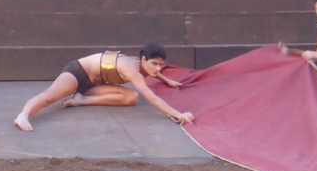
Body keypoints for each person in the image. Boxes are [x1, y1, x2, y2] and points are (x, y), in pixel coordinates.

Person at [14, 43, 194, 131]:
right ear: (144, 60)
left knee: (130, 98)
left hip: (95, 84)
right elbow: (152, 98)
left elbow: (155, 73)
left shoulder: (143, 65)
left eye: (160, 65)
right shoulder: (131, 69)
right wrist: (178, 114)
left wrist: (167, 80)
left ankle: (81, 100)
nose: (157, 69)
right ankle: (24, 115)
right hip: (78, 74)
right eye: (154, 64)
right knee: (49, 97)